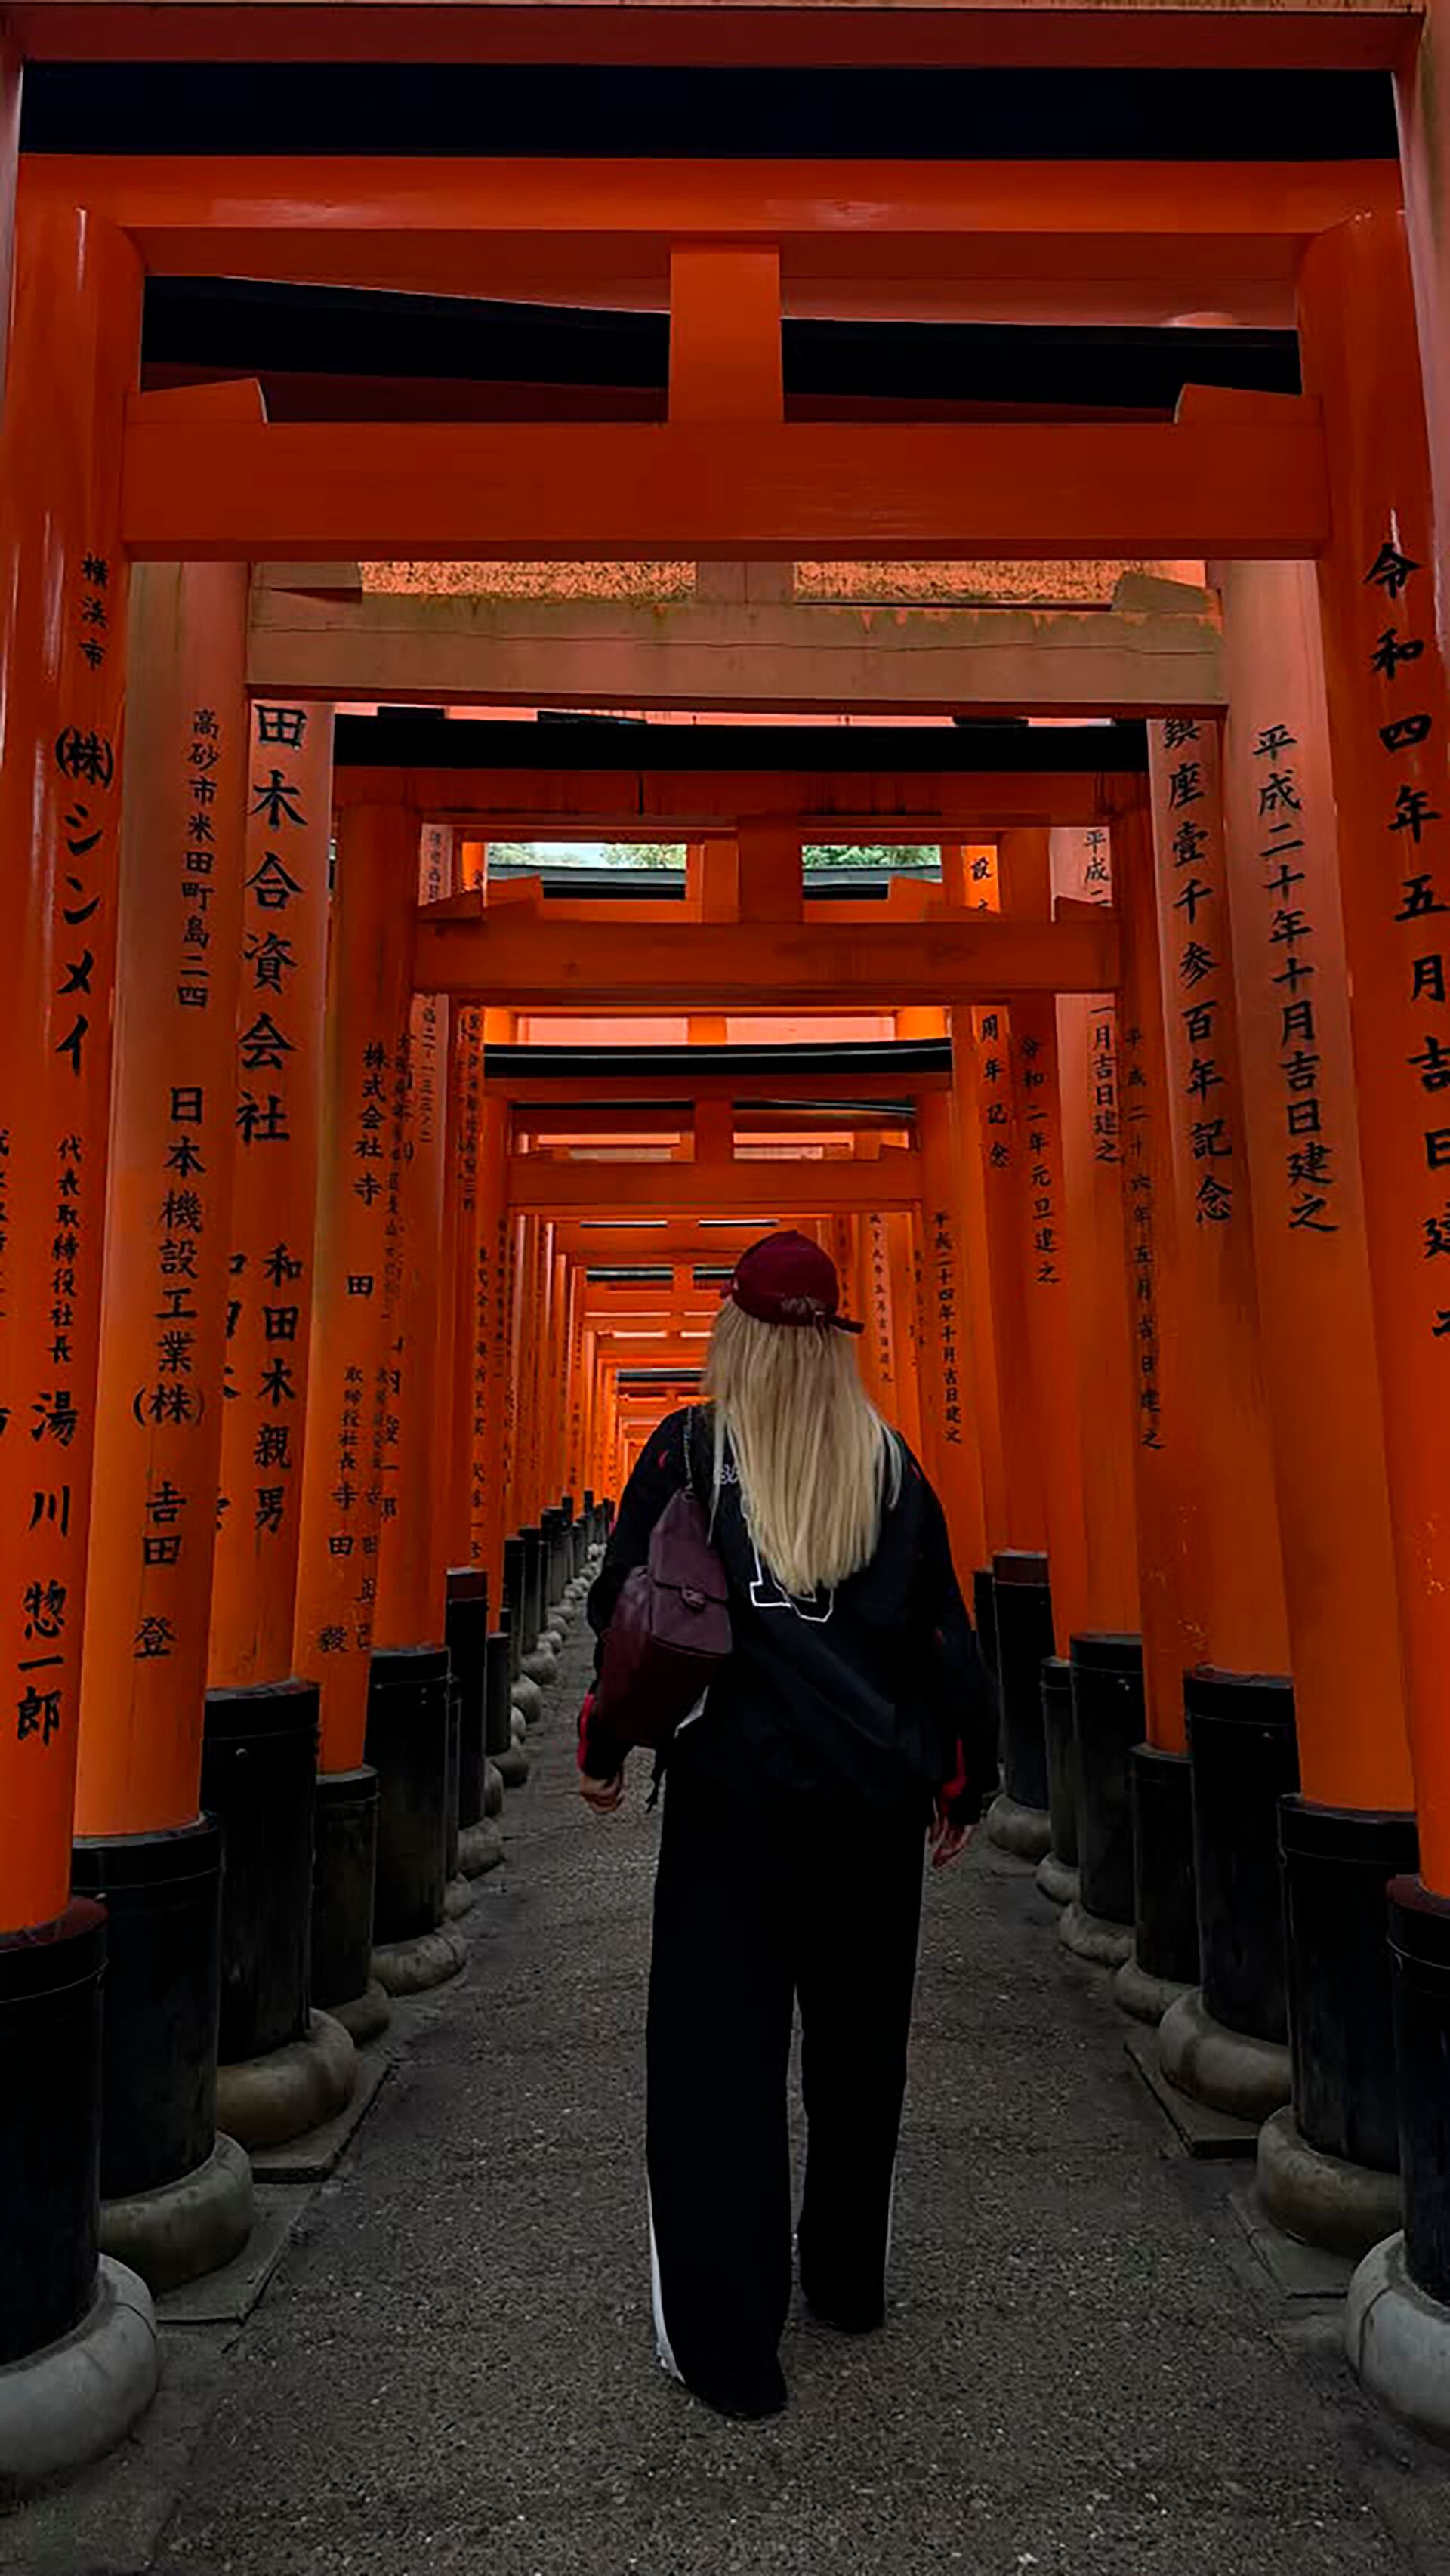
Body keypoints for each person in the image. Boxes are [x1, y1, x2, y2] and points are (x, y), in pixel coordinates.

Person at [578, 1228, 998, 2423]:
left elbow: (628, 1617)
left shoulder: (693, 1452)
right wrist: (958, 1784)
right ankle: (848, 2287)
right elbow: (941, 1644)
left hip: (733, 1814)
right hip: (867, 1815)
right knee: (861, 2062)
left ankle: (732, 2348)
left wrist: (605, 1750)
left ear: (735, 1334)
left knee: (722, 2067)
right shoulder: (888, 1465)